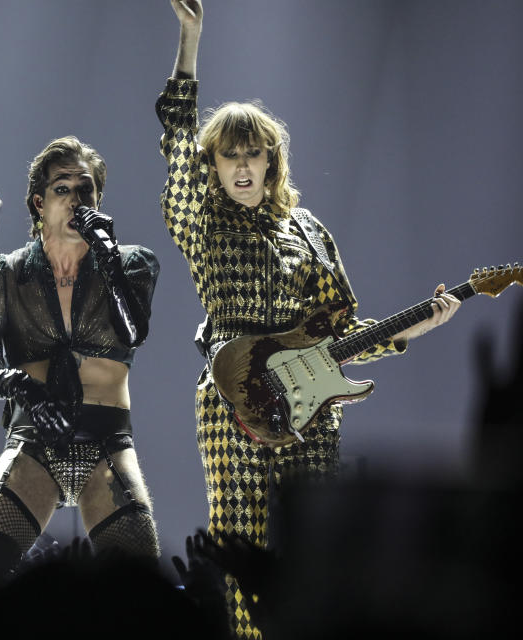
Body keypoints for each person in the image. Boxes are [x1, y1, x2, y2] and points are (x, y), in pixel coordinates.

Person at [157, 2, 460, 637]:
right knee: (244, 544)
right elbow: (178, 144)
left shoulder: (309, 231)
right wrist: (190, 44)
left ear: (272, 161)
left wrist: (412, 329)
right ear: (215, 167)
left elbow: (342, 336)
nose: (242, 166)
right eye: (229, 156)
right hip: (234, 395)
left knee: (313, 543)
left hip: (313, 404)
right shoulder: (205, 222)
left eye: (253, 154)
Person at [0, 136, 161, 576]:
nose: (74, 201)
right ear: (39, 203)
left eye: (84, 190)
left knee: (138, 586)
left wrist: (107, 256)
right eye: (61, 189)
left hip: (106, 443)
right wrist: (21, 384)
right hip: (34, 443)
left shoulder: (131, 265)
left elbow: (133, 332)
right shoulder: (8, 274)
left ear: (98, 199)